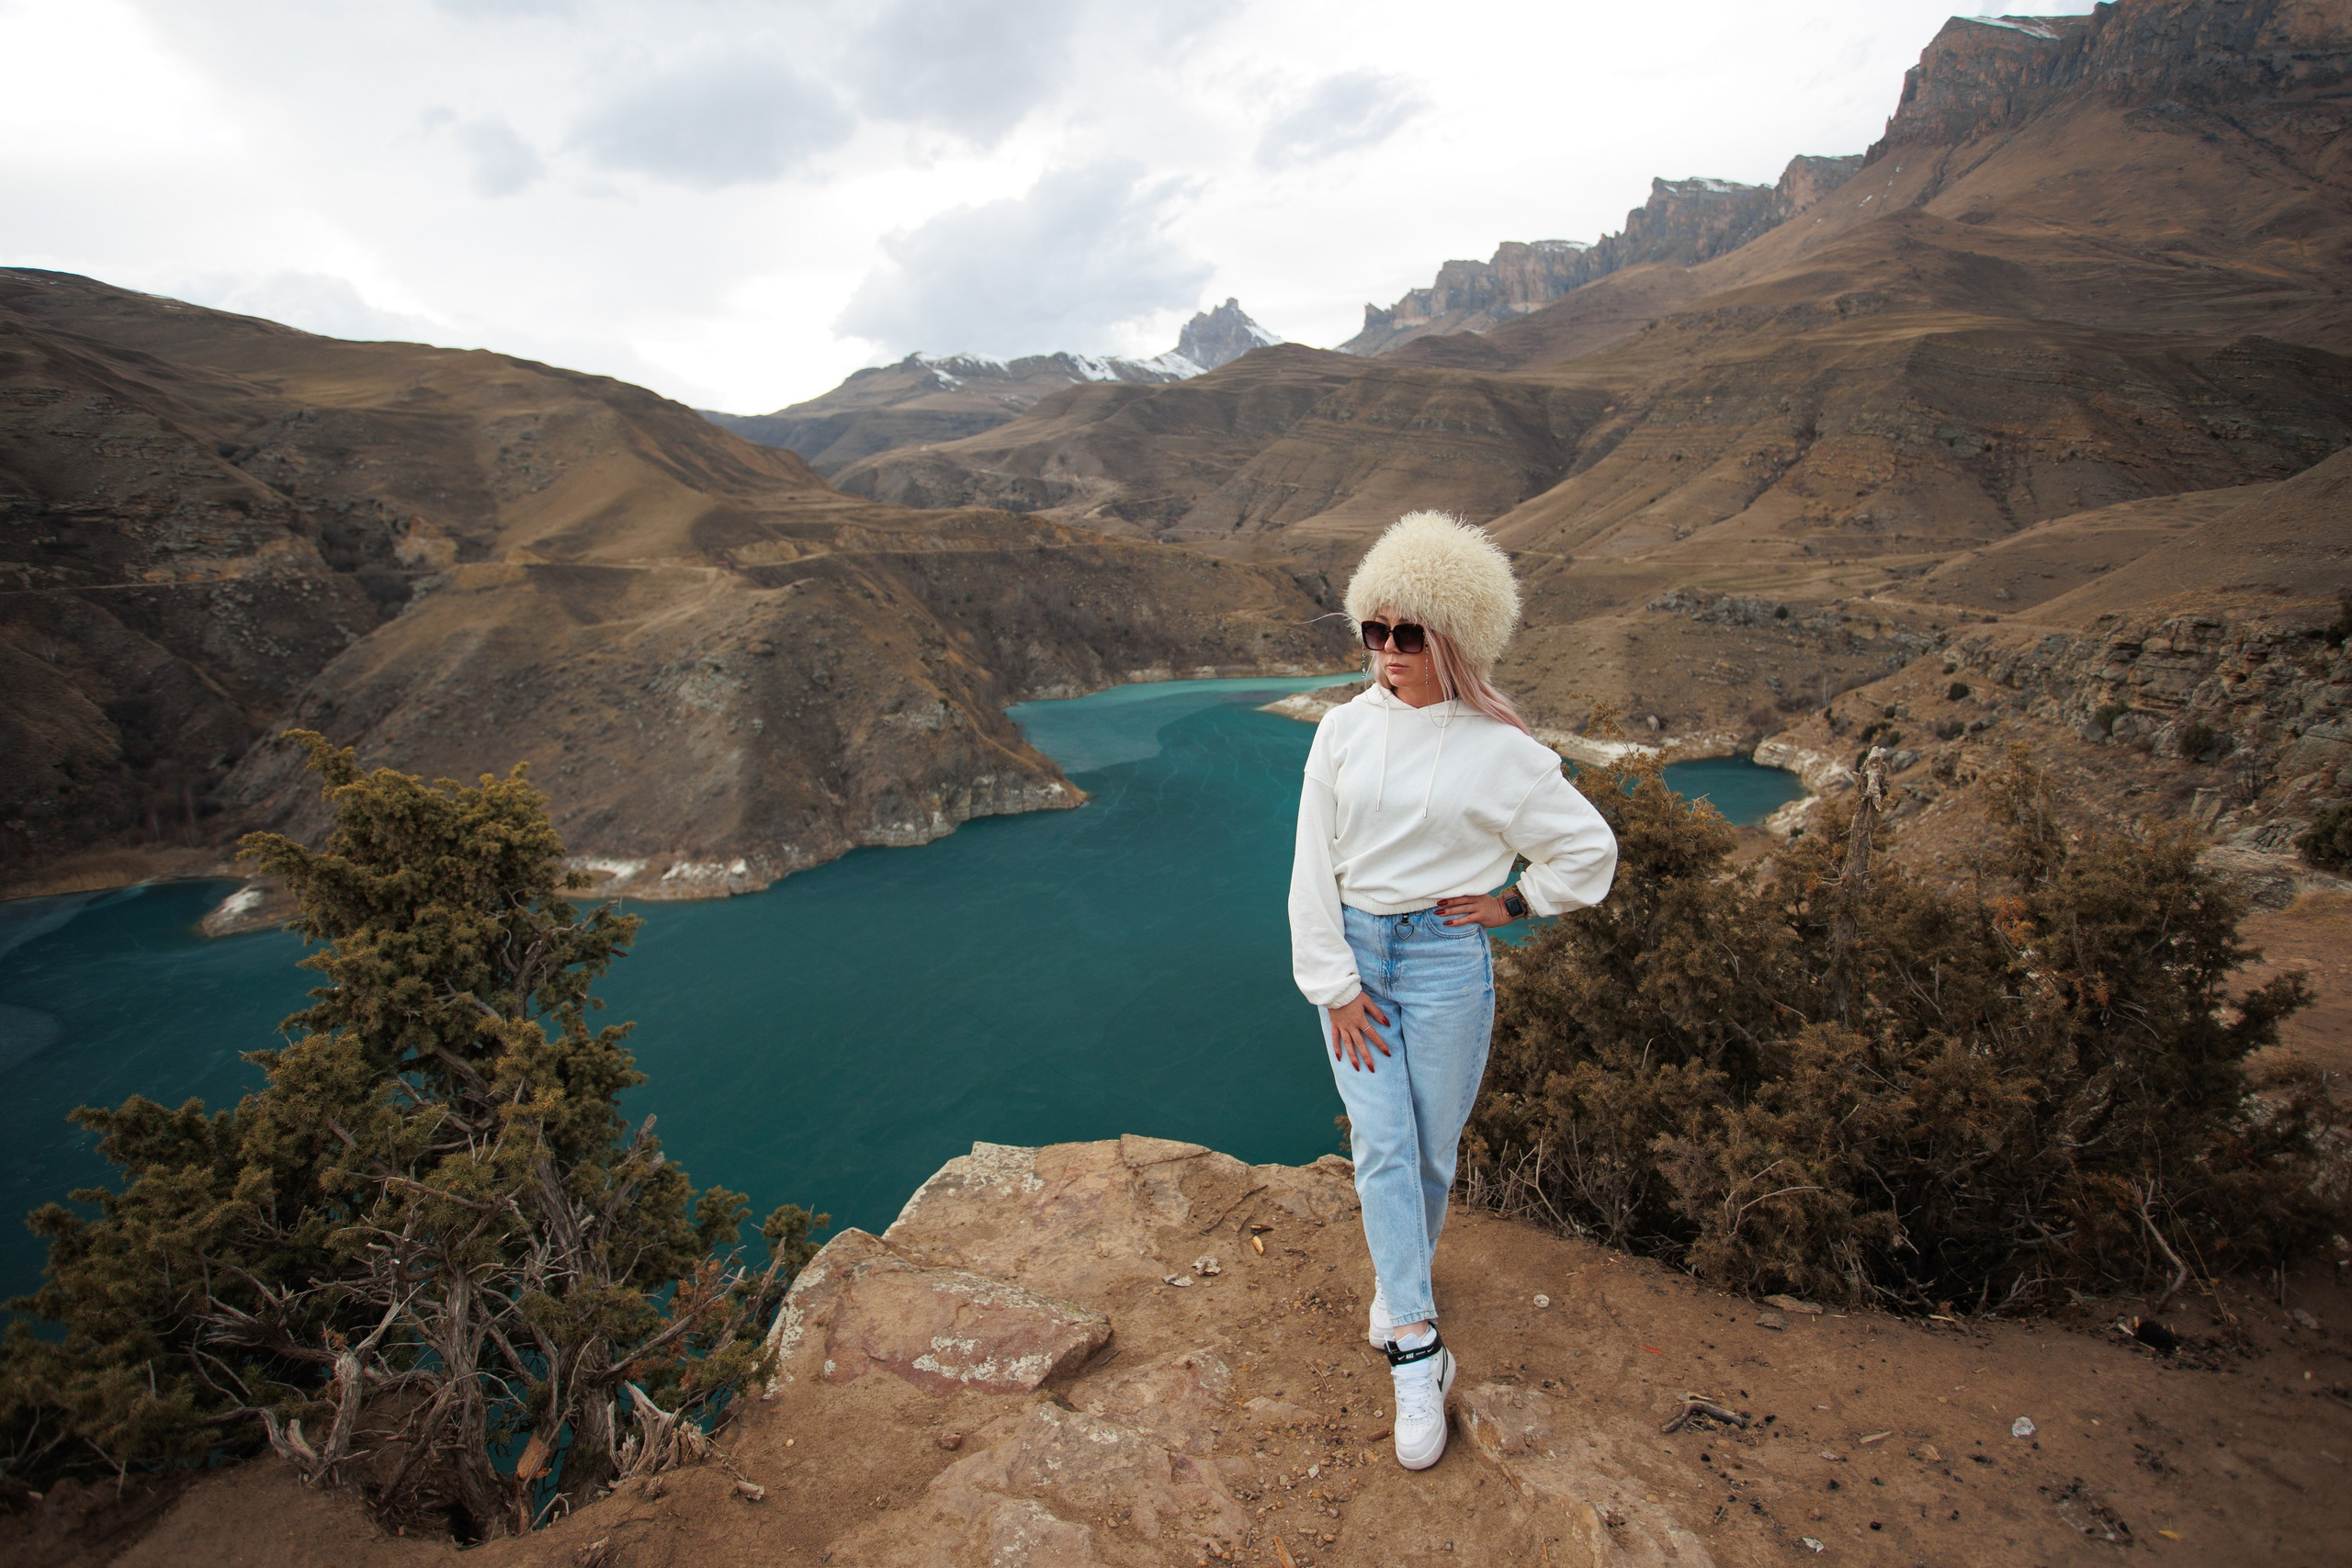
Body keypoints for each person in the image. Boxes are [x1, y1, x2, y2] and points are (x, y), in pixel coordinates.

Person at [1287, 510, 1617, 1471]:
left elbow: (1589, 851)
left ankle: (1398, 1288)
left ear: (1453, 638)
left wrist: (1517, 901)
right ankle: (1415, 1350)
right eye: (1373, 631)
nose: (1386, 653)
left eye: (1407, 634)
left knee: (1429, 1152)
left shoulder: (1502, 751)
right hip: (1357, 957)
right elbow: (1311, 866)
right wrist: (1333, 985)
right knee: (1383, 1146)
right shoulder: (1342, 732)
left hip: (1443, 963)